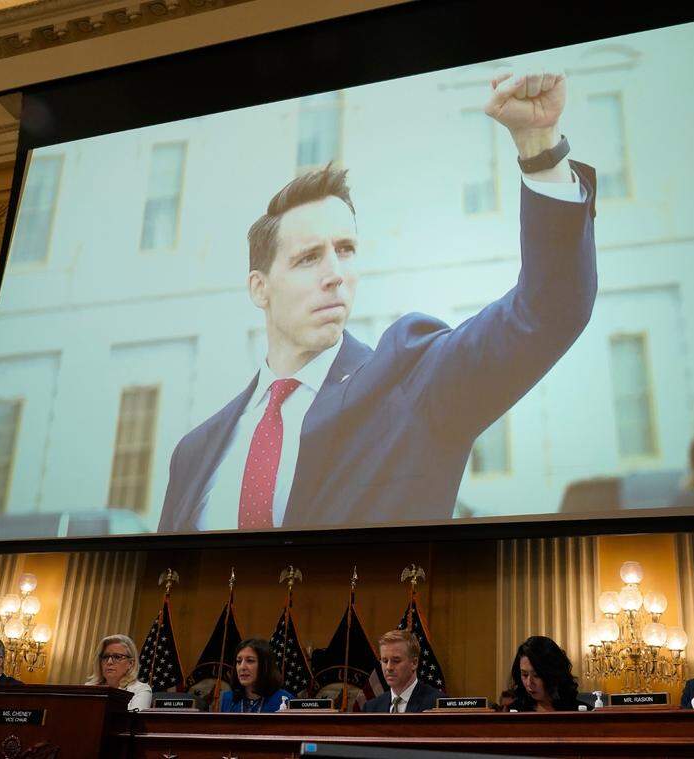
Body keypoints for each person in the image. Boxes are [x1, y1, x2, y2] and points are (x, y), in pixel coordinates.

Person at [159, 69, 596, 532]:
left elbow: (547, 312)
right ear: (259, 287)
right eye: (309, 258)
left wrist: (541, 147)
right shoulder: (195, 452)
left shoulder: (410, 383)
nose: (335, 275)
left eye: (345, 251)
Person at [362, 630, 444, 713]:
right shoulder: (371, 708)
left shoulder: (436, 705)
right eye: (385, 661)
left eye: (396, 661)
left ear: (414, 663)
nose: (389, 667)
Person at [508, 635, 584, 712]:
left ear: (554, 674)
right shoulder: (514, 711)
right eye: (524, 675)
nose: (529, 683)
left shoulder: (581, 711)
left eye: (536, 675)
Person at [219, 638, 293, 713]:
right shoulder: (227, 699)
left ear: (265, 665)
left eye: (250, 661)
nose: (242, 667)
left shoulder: (284, 699)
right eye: (239, 661)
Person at [85, 634, 152, 711]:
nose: (109, 662)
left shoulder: (140, 690)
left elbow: (132, 721)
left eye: (117, 657)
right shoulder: (89, 688)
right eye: (105, 657)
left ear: (130, 663)